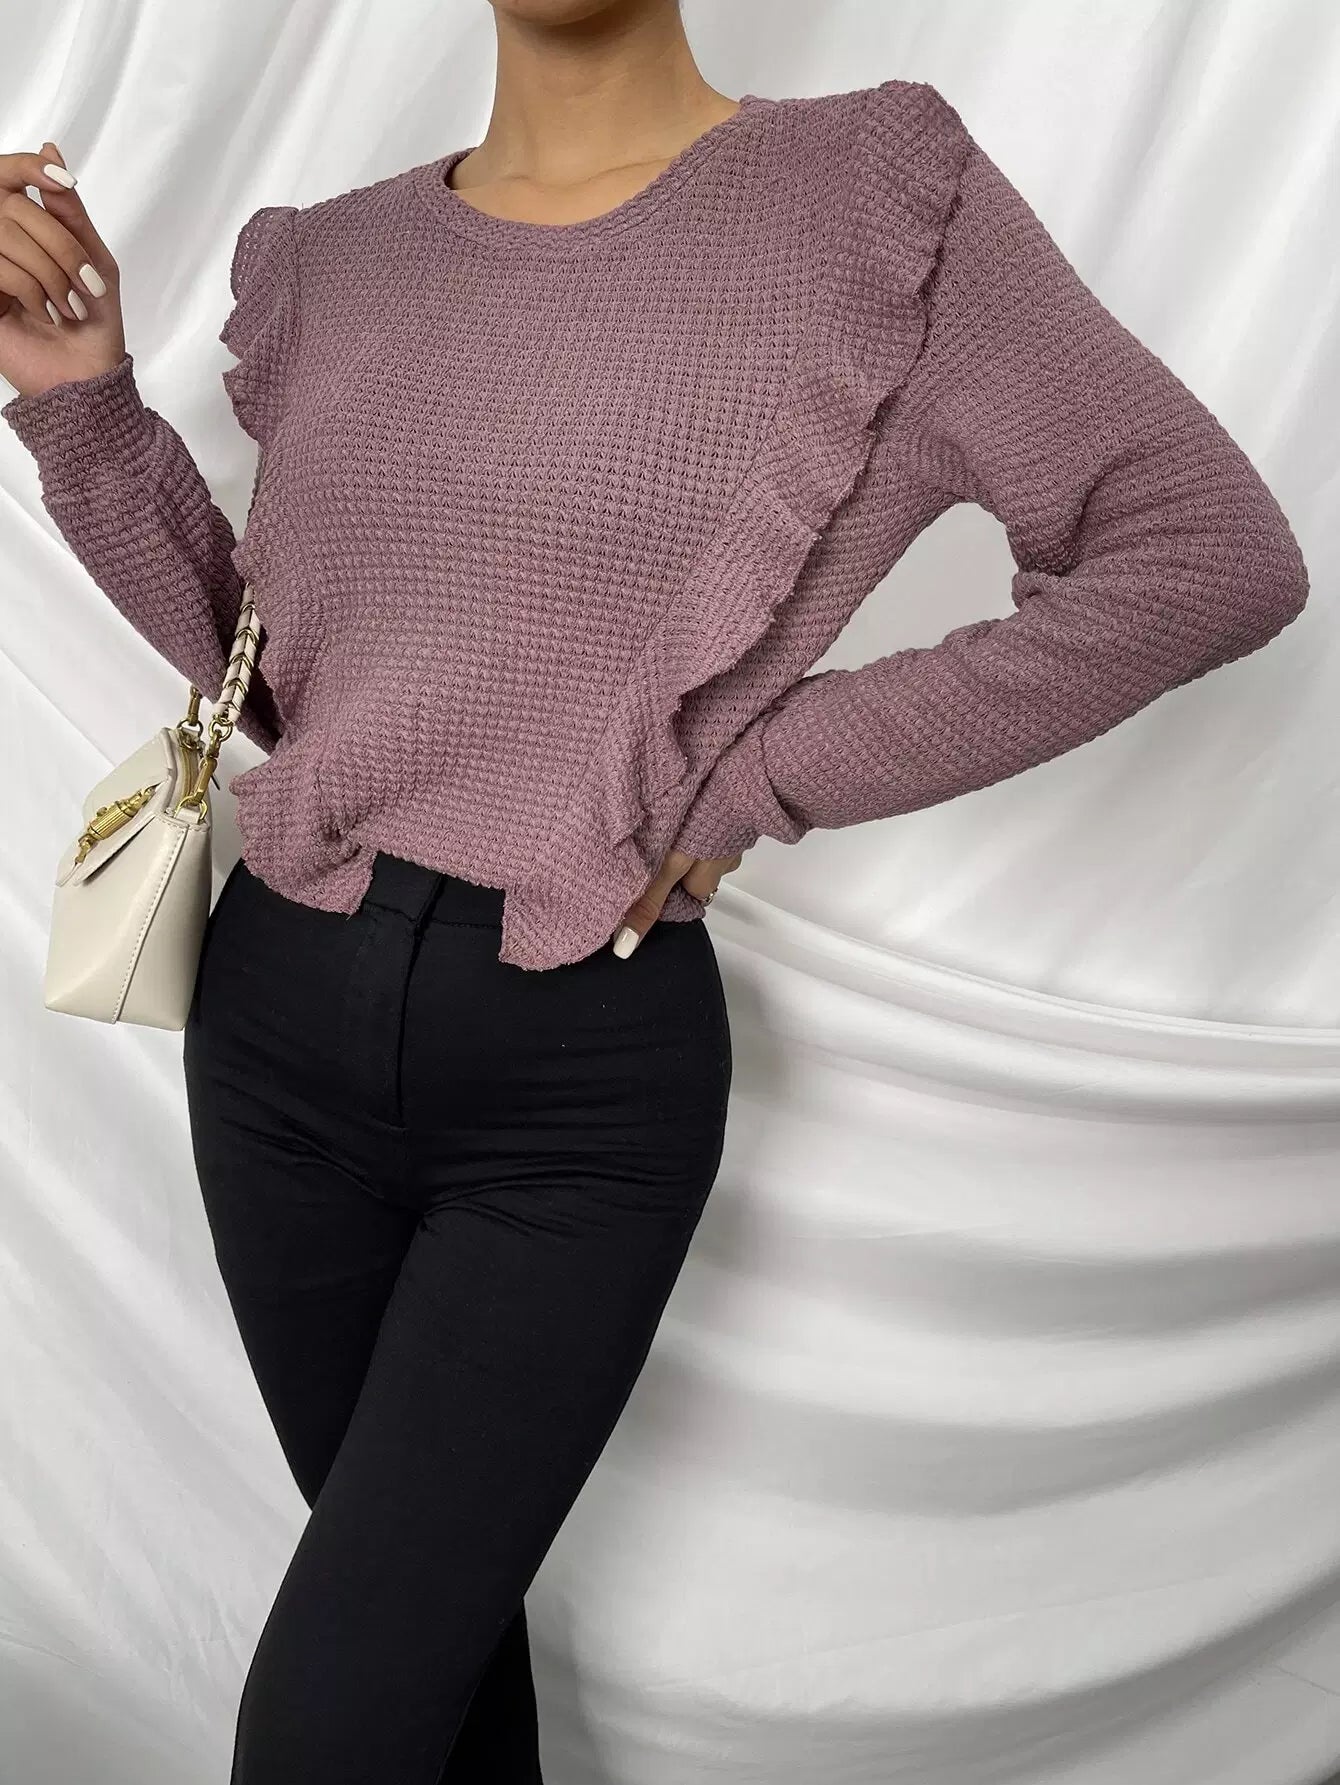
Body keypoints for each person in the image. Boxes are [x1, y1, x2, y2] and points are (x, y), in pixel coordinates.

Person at [0, 1, 1310, 1779]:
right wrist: (81, 410)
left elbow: (1206, 552)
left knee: (324, 1726)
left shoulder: (881, 198)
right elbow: (289, 682)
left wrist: (762, 773)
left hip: (571, 1082)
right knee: (431, 1671)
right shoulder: (339, 259)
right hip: (272, 1029)